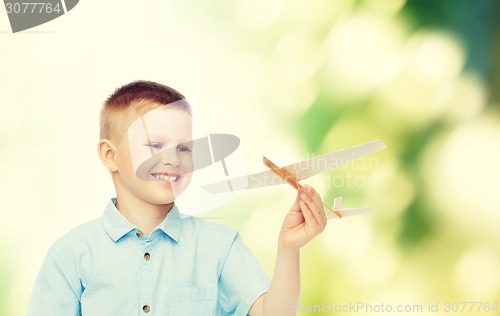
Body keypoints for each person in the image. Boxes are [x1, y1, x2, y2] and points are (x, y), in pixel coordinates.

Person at [27, 81, 328, 316]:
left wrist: (289, 248)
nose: (172, 159)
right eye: (156, 145)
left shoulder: (219, 246)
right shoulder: (70, 254)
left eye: (184, 148)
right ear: (110, 155)